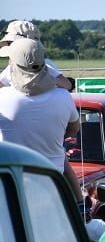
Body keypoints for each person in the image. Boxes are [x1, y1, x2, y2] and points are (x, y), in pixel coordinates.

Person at [0, 38, 80, 179]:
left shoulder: (3, 96)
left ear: (12, 63)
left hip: (11, 178)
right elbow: (73, 129)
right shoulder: (63, 96)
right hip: (52, 179)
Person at [0, 20, 72, 90]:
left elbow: (66, 85)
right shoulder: (11, 67)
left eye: (10, 43)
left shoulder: (45, 66)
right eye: (9, 43)